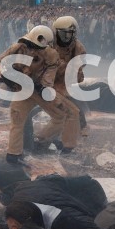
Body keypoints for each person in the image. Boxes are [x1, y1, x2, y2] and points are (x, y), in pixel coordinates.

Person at [0, 25, 62, 165]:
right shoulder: (18, 48)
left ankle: (41, 140)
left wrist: (44, 87)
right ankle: (13, 155)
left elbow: (50, 72)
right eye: (30, 46)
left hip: (39, 89)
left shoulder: (51, 55)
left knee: (61, 115)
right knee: (17, 119)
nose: (32, 50)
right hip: (22, 89)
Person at [48, 15, 89, 154]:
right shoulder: (50, 43)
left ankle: (80, 127)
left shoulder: (78, 48)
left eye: (69, 34)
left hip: (66, 79)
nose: (66, 38)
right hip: (50, 77)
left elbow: (78, 67)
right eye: (63, 34)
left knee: (69, 105)